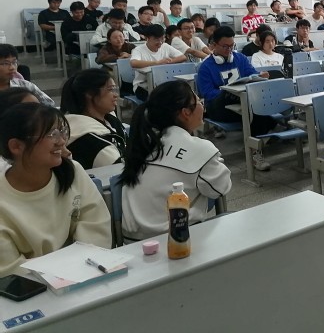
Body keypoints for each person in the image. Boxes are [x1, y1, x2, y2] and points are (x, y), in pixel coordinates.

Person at [0, 103, 111, 276]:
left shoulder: (72, 172)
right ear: (16, 146)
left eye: (62, 132)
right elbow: (10, 269)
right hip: (33, 288)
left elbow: (96, 229)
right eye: (52, 134)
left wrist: (74, 267)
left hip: (85, 274)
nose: (61, 141)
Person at [119, 81, 231, 241]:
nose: (202, 105)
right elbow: (221, 188)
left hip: (133, 243)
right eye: (198, 100)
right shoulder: (198, 148)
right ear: (186, 112)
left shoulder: (145, 143)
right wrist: (214, 160)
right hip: (175, 240)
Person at [196, 27, 273, 170]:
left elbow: (251, 74)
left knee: (263, 113)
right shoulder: (205, 67)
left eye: (232, 46)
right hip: (218, 107)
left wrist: (259, 76)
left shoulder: (240, 58)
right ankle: (254, 151)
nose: (229, 50)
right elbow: (207, 93)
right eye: (225, 46)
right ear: (214, 45)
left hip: (243, 102)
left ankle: (253, 147)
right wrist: (228, 91)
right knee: (255, 113)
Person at [60, 69, 124, 170]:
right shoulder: (87, 137)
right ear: (90, 93)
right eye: (110, 90)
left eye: (115, 89)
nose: (116, 95)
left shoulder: (110, 119)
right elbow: (119, 169)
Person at [130, 24, 187, 101]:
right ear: (147, 38)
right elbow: (133, 63)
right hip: (143, 86)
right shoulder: (138, 50)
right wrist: (157, 63)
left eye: (162, 38)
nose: (160, 42)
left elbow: (183, 57)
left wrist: (168, 62)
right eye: (156, 39)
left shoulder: (165, 46)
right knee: (161, 101)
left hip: (163, 84)